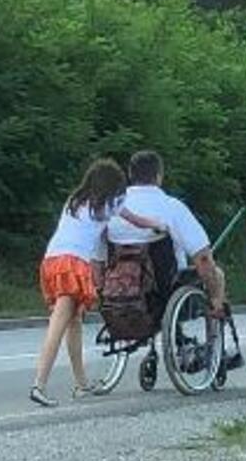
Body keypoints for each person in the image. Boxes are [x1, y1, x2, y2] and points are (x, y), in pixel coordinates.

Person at [30, 158, 162, 408]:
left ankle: (81, 383)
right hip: (73, 262)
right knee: (58, 324)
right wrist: (159, 225)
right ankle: (39, 384)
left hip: (52, 260)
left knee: (74, 322)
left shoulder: (75, 200)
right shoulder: (111, 204)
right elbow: (137, 220)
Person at [106, 150, 227, 317]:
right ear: (158, 176)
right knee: (217, 274)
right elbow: (203, 258)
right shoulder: (171, 207)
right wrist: (214, 296)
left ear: (130, 175)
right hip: (164, 292)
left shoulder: (110, 208)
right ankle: (216, 315)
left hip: (116, 290)